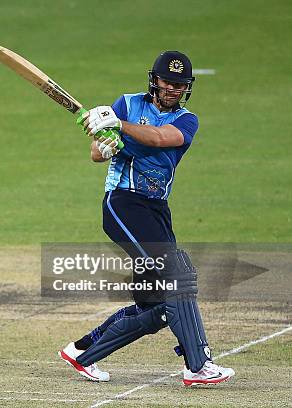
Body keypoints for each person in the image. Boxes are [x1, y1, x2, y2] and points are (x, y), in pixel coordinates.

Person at [58, 51, 235, 386]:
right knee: (179, 275)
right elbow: (97, 153)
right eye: (167, 81)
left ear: (187, 88)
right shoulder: (126, 104)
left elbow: (158, 138)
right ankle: (198, 366)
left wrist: (117, 126)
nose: (172, 89)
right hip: (123, 204)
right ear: (154, 80)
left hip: (156, 211)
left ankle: (83, 352)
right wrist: (106, 144)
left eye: (179, 84)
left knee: (155, 307)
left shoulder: (187, 120)